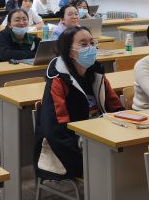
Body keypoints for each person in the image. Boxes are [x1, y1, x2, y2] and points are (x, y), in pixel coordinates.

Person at [34, 26, 122, 179]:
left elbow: (116, 107)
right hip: (71, 148)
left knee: (128, 158)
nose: (90, 48)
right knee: (114, 169)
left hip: (100, 137)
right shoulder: (57, 81)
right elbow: (56, 130)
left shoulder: (96, 74)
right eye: (83, 44)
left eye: (92, 43)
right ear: (69, 51)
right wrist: (82, 154)